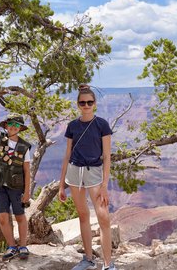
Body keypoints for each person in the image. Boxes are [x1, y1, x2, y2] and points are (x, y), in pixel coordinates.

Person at [59, 84, 116, 270]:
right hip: (75, 172)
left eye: (90, 102)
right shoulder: (72, 126)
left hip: (94, 173)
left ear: (95, 103)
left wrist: (105, 185)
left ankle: (108, 264)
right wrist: (61, 185)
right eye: (83, 102)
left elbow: (107, 156)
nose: (86, 105)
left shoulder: (102, 125)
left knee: (103, 217)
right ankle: (88, 259)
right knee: (83, 215)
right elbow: (67, 156)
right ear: (78, 104)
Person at [0, 90, 31, 261]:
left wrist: (27, 192)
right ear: (6, 126)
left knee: (20, 216)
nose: (12, 128)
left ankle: (24, 246)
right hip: (1, 187)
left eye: (16, 125)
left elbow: (27, 171)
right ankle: (12, 246)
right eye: (10, 125)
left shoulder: (25, 147)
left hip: (17, 188)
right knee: (3, 217)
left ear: (20, 128)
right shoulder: (1, 139)